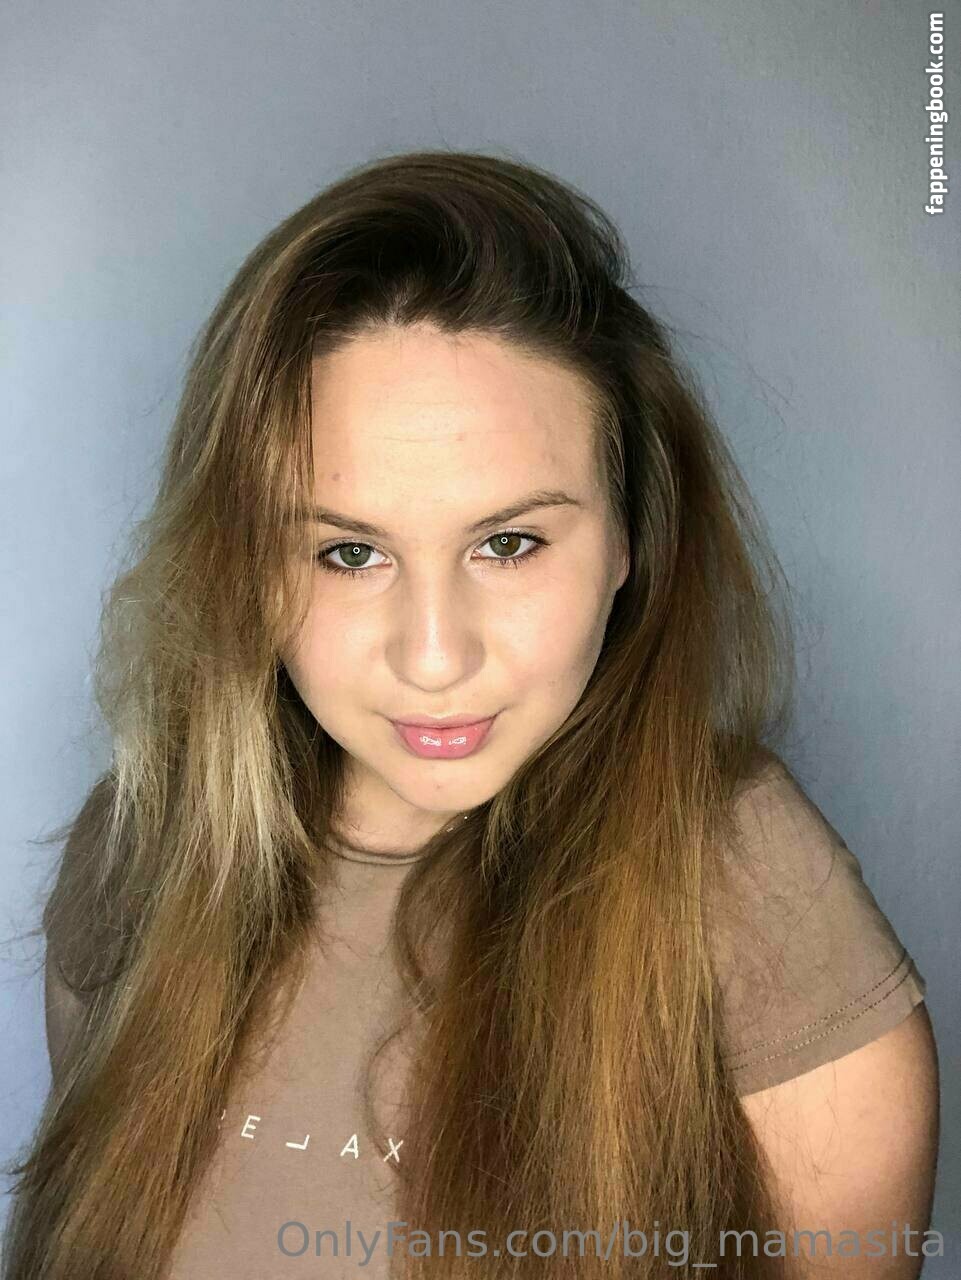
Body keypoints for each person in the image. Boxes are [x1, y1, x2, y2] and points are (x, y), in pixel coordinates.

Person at [2, 150, 939, 1280]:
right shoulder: (140, 851)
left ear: (629, 539)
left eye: (509, 542)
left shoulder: (747, 886)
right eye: (349, 553)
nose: (435, 657)